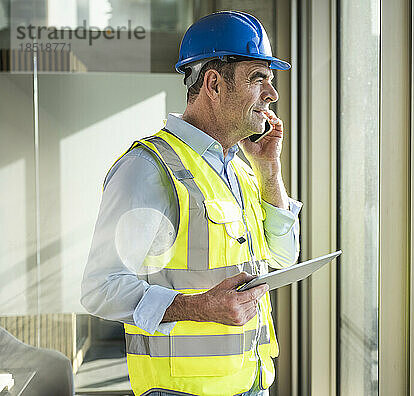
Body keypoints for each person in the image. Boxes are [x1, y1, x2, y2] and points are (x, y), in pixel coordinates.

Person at [81, 11, 300, 396]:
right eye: (258, 79)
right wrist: (198, 308)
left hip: (250, 383)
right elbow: (100, 289)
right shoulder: (149, 169)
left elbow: (285, 257)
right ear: (214, 84)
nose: (272, 94)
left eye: (271, 80)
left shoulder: (239, 169)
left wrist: (268, 170)